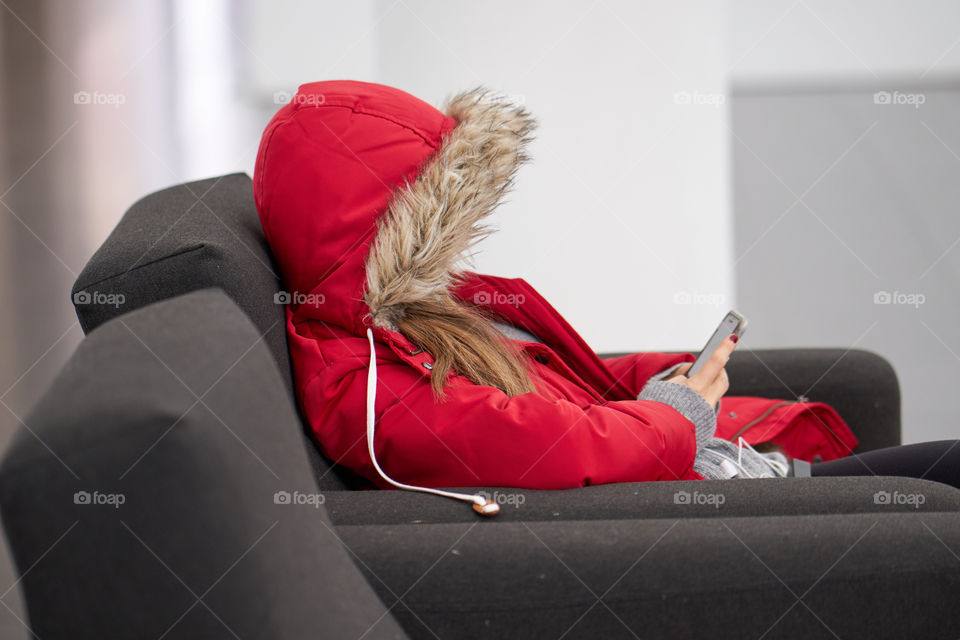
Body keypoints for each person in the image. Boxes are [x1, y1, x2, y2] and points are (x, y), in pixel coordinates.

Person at [253, 80, 959, 515]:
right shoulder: (370, 394)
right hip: (733, 510)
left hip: (724, 473)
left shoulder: (416, 322)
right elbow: (555, 448)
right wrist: (675, 415)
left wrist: (668, 378)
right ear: (376, 230)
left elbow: (575, 385)